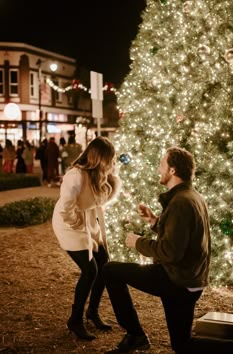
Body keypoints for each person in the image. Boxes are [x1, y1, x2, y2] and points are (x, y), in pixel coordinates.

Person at [103, 146, 211, 354]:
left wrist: (138, 242)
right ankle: (136, 336)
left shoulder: (181, 202)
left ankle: (135, 336)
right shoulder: (192, 196)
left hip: (176, 279)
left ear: (172, 170)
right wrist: (154, 221)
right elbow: (182, 236)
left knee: (110, 270)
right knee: (182, 344)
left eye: (162, 165)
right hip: (191, 278)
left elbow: (170, 252)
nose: (158, 169)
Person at [52, 136, 121, 341]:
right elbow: (65, 210)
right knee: (90, 271)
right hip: (69, 224)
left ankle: (92, 311)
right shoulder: (76, 176)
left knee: (104, 265)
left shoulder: (100, 175)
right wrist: (78, 224)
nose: (113, 162)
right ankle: (75, 319)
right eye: (110, 159)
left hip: (88, 221)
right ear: (99, 158)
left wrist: (112, 178)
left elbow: (99, 202)